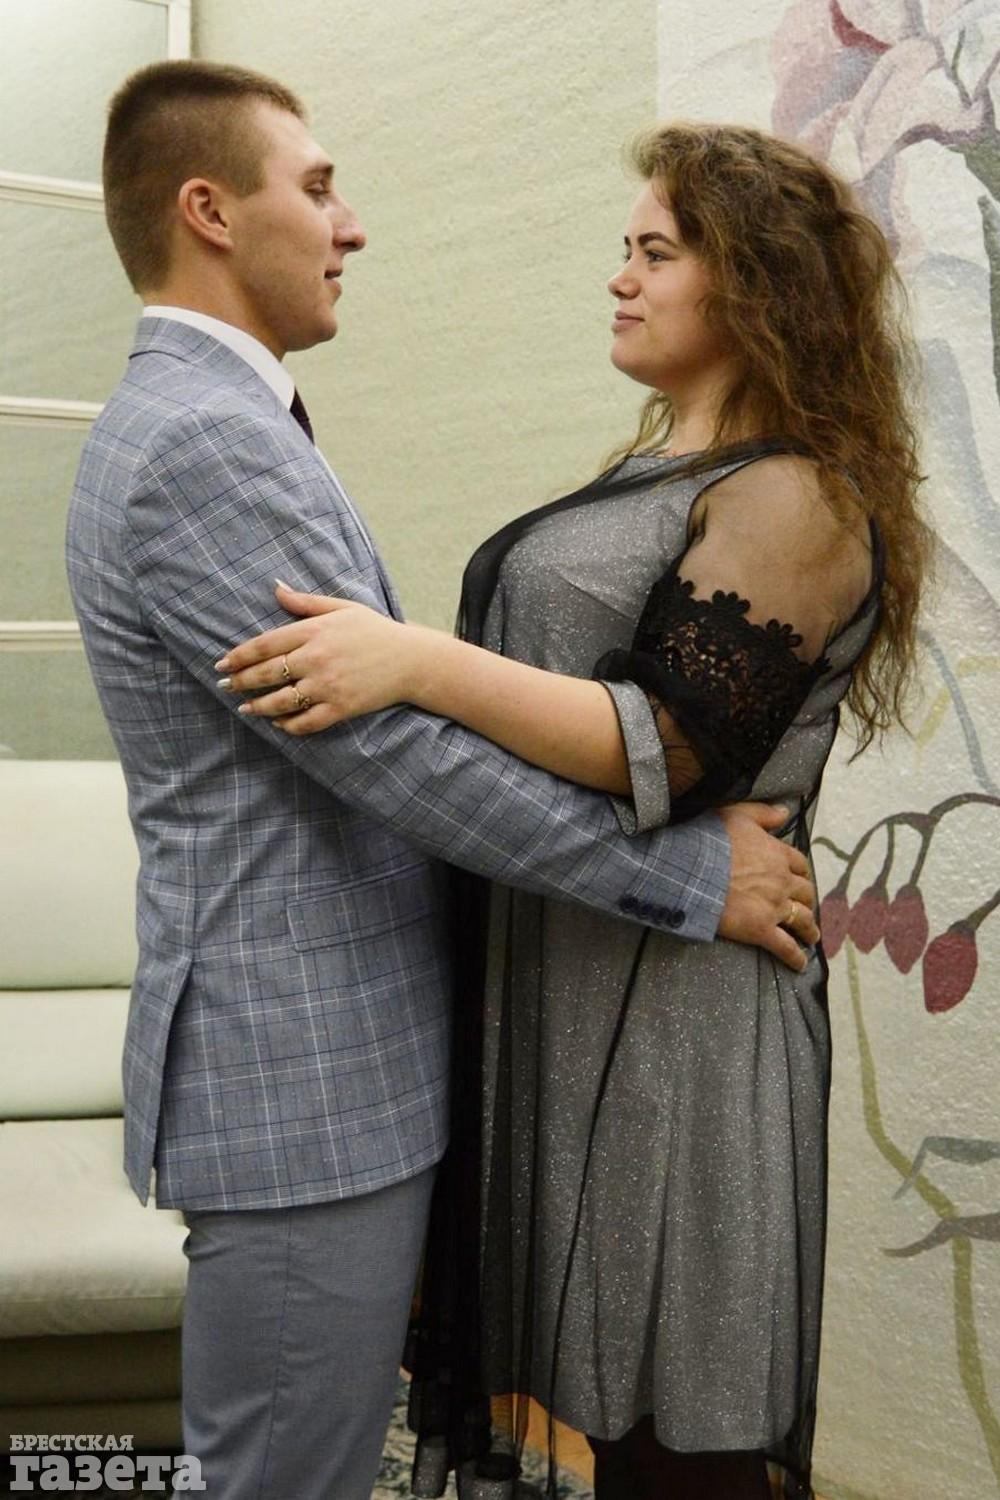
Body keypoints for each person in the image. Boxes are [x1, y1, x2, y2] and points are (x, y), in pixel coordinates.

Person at [65, 65, 815, 1500]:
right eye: (319, 188)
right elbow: (395, 759)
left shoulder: (216, 419)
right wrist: (689, 872)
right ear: (210, 211)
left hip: (337, 1066)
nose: (351, 225)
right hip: (304, 1077)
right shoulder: (204, 441)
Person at [219, 124, 930, 1499]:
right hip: (585, 971)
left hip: (687, 1016)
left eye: (655, 254)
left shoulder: (796, 495)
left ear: (755, 285)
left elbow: (666, 736)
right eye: (627, 250)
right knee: (597, 1407)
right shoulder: (659, 471)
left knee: (679, 1424)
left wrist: (414, 663)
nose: (620, 278)